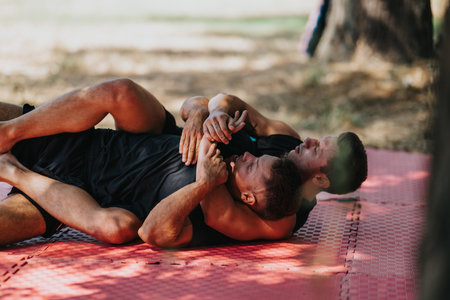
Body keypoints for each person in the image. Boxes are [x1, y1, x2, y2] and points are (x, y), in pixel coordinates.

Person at [0, 78, 367, 247]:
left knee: (117, 227)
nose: (310, 140)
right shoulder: (282, 141)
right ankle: (9, 134)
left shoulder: (280, 218)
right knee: (122, 91)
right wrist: (208, 114)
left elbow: (210, 217)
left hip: (96, 191)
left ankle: (13, 167)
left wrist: (205, 179)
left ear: (321, 180)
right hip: (141, 144)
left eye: (321, 149)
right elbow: (218, 98)